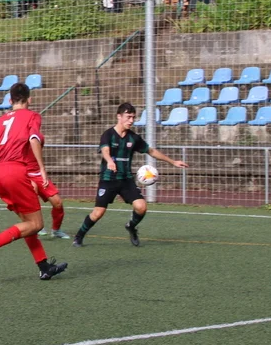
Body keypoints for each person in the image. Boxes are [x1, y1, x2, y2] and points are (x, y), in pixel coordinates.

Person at [0, 83, 68, 280]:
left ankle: (44, 267)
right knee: (36, 224)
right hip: (16, 172)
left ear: (10, 100)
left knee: (28, 223)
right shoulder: (32, 116)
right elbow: (33, 139)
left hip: (0, 174)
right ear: (29, 99)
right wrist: (42, 168)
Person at [73, 102, 188, 248]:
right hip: (108, 179)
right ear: (119, 116)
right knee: (98, 213)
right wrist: (109, 161)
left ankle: (131, 226)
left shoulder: (133, 138)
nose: (131, 120)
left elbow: (151, 151)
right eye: (128, 117)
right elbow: (105, 150)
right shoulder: (108, 134)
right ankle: (79, 236)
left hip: (126, 180)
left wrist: (173, 161)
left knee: (141, 207)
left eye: (133, 117)